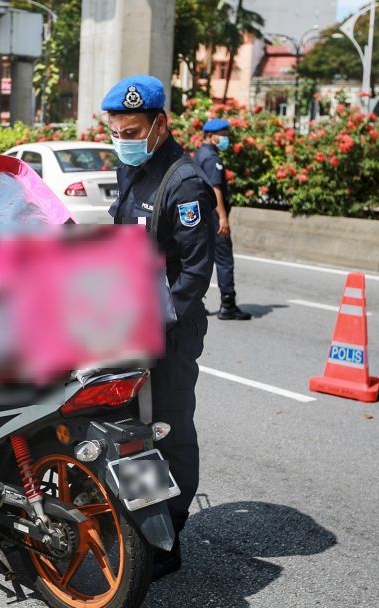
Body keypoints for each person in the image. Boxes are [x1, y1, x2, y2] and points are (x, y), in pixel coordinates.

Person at [102, 75, 215, 579]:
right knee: (129, 431)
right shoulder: (138, 170)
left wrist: (158, 318)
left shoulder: (183, 182)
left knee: (167, 429)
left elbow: (194, 270)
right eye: (116, 132)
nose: (123, 139)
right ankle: (142, 526)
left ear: (160, 125)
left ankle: (169, 533)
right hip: (130, 322)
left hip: (169, 328)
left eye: (132, 130)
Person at [195, 118, 252, 321]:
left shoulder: (201, 153)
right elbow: (215, 189)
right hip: (213, 217)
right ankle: (228, 304)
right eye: (223, 135)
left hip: (202, 216)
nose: (226, 139)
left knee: (202, 261)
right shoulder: (211, 158)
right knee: (224, 261)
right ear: (211, 136)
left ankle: (195, 303)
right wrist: (223, 218)